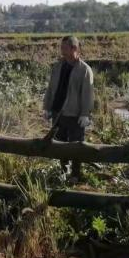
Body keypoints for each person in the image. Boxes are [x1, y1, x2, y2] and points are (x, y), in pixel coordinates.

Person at [42, 36, 94, 181]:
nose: (62, 51)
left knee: (76, 145)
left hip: (74, 114)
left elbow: (87, 94)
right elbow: (51, 88)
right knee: (60, 143)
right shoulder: (58, 67)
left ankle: (75, 174)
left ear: (74, 49)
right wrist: (47, 107)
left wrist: (85, 114)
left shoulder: (84, 70)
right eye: (61, 48)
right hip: (58, 112)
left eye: (65, 48)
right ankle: (64, 171)